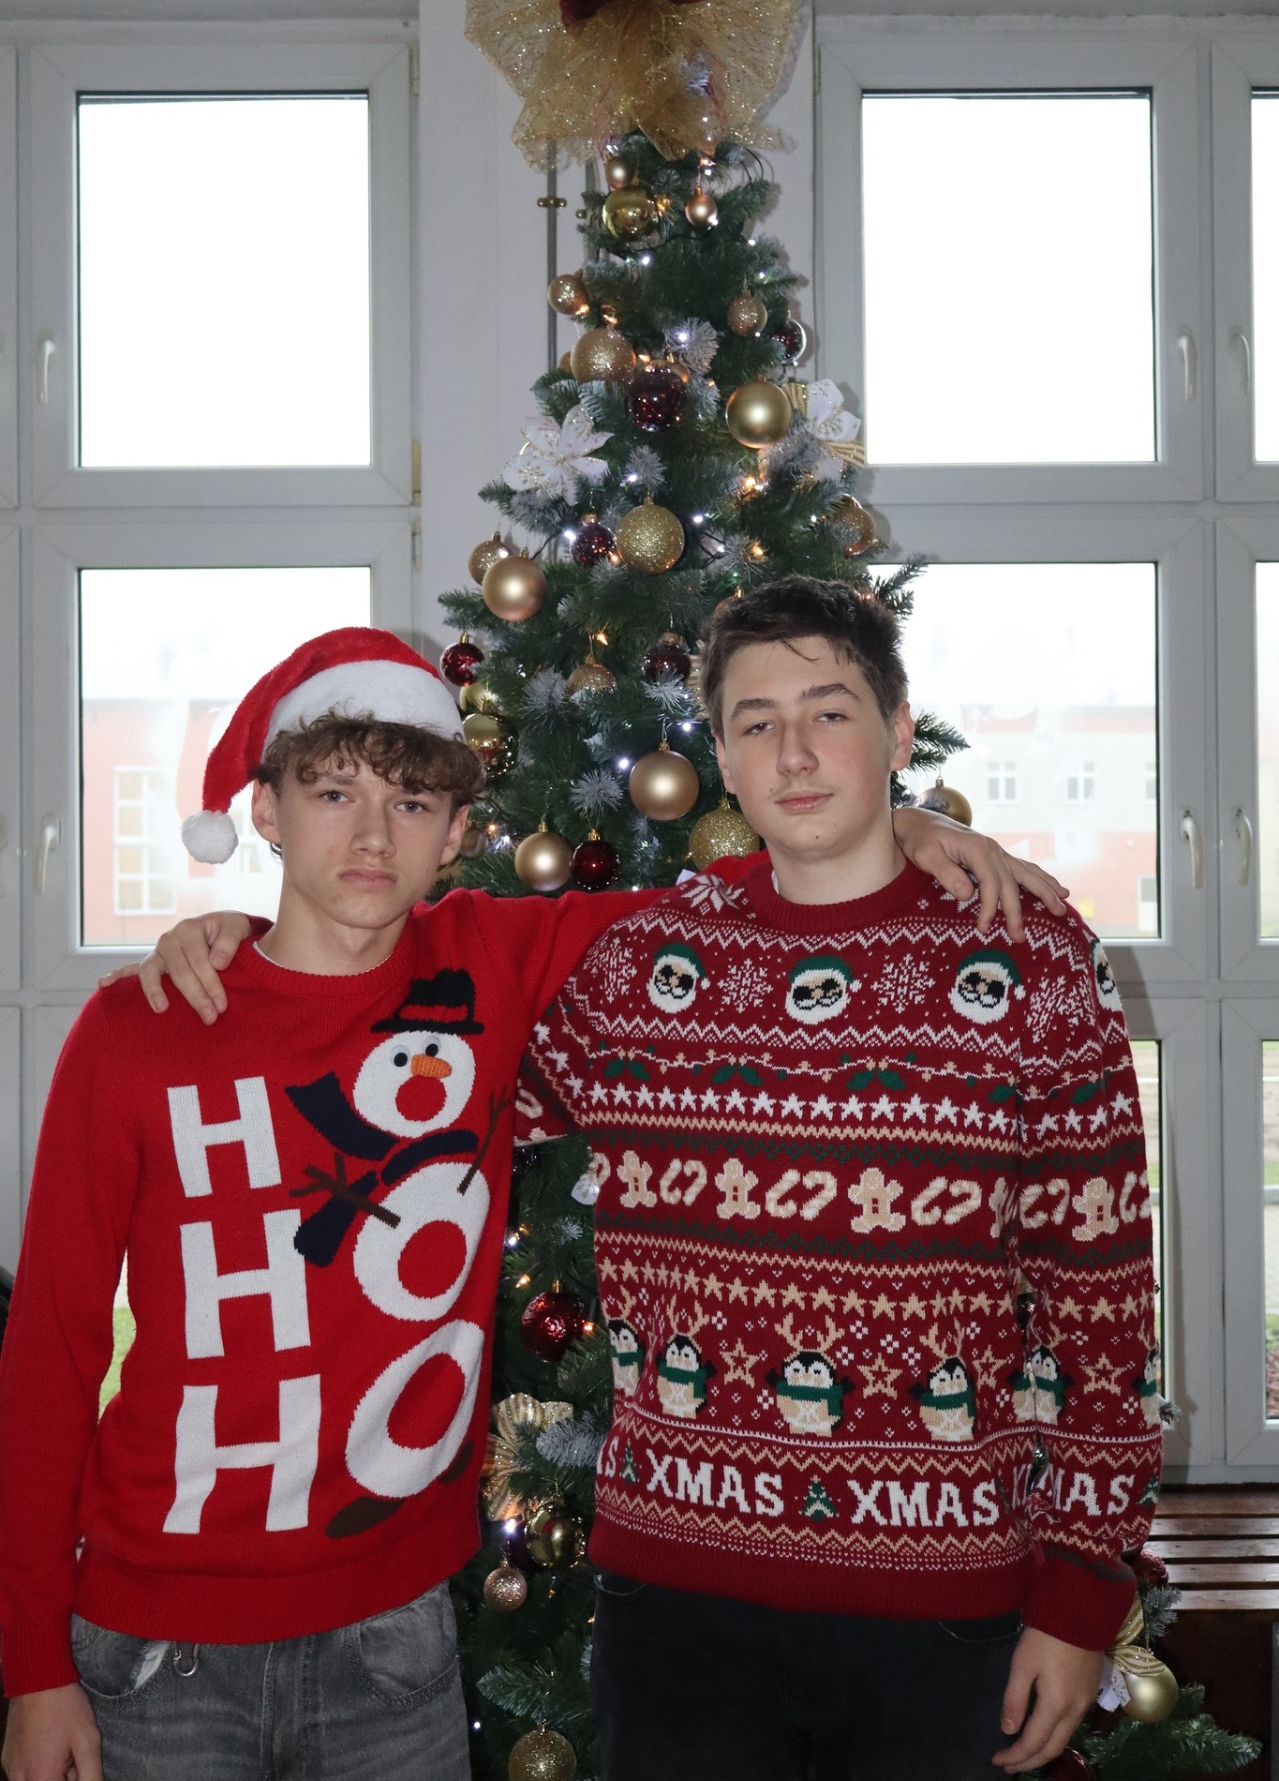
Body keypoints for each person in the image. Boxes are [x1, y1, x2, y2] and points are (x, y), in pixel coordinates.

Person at [0, 619, 1059, 1781]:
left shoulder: (487, 961)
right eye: (333, 793)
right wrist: (32, 1665)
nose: (371, 835)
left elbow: (743, 892)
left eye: (411, 804)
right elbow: (51, 1353)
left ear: (457, 833)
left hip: (393, 1638)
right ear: (266, 810)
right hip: (157, 1644)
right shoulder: (142, 1029)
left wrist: (904, 826)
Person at [513, 578, 1162, 1781]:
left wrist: (1083, 1589)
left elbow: (1101, 1295)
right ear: (720, 756)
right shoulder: (641, 966)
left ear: (899, 730)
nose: (795, 754)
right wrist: (251, 941)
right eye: (756, 722)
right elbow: (442, 1096)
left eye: (830, 711)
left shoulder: (1028, 960)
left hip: (942, 1609)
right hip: (675, 1608)